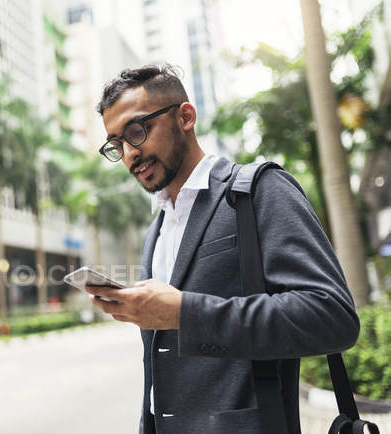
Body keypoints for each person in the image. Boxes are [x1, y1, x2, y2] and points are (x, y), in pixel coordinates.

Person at [85, 64, 360, 434]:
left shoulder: (258, 191)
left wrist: (184, 312)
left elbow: (332, 317)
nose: (130, 153)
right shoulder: (157, 230)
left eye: (137, 131)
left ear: (185, 116)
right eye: (116, 144)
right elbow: (161, 378)